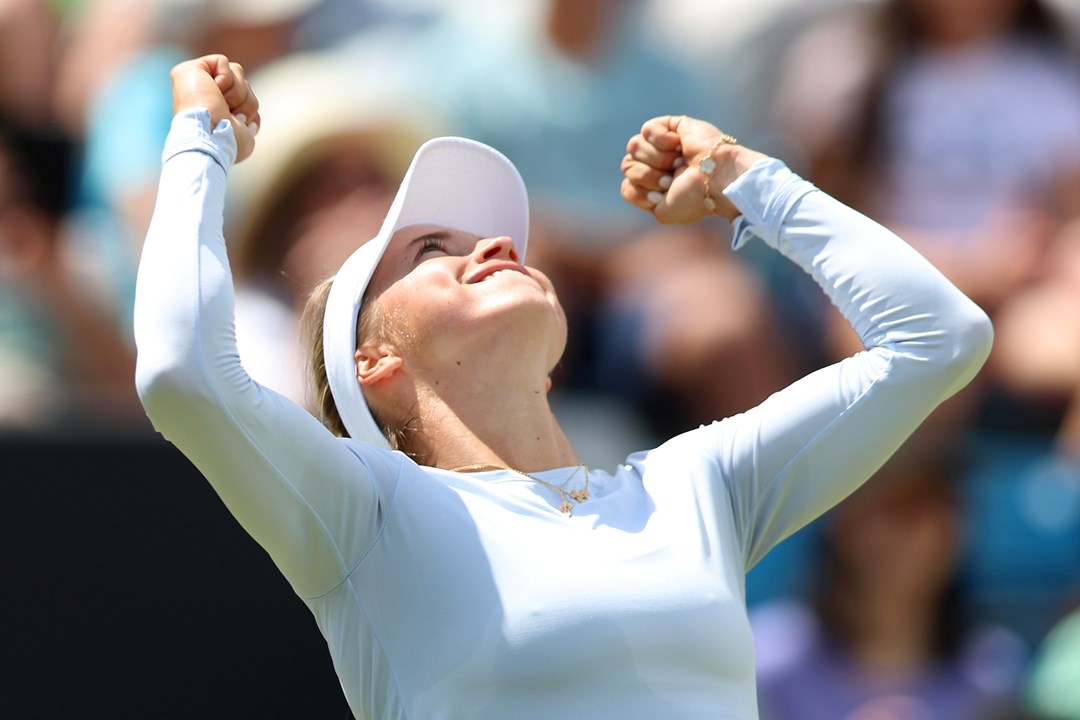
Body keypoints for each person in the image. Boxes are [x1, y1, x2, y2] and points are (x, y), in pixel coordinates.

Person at [134, 55, 993, 718]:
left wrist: (746, 179)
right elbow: (183, 370)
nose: (497, 247)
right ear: (374, 366)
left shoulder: (695, 486)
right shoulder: (369, 517)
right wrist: (197, 139)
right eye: (432, 251)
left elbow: (940, 337)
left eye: (502, 240)